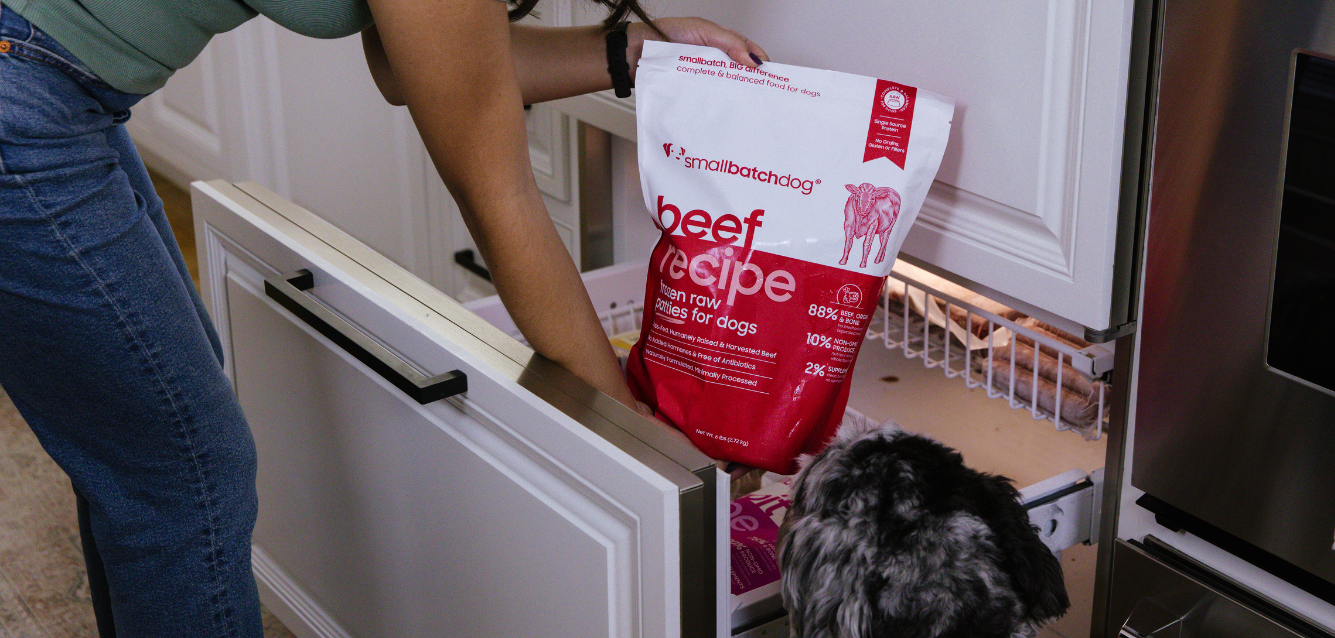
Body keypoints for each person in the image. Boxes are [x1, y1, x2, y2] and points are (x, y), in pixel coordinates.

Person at [0, 1, 767, 636]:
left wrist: (636, 52)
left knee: (148, 455)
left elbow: (417, 66)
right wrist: (632, 431)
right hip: (23, 88)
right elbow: (496, 194)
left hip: (56, 84)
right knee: (189, 475)